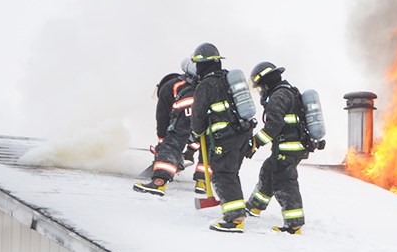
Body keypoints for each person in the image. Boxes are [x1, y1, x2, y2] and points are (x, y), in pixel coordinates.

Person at [188, 42, 255, 233]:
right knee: (230, 173)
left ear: (203, 65)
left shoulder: (205, 85)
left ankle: (235, 219)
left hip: (226, 138)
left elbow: (198, 116)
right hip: (243, 135)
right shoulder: (228, 79)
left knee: (223, 174)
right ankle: (235, 210)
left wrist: (197, 131)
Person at [245, 60, 313, 234]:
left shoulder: (278, 96)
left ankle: (294, 225)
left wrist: (255, 142)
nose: (261, 90)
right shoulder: (288, 91)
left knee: (285, 183)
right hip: (292, 146)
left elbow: (273, 127)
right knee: (268, 171)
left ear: (266, 82)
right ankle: (254, 207)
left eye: (261, 87)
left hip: (287, 147)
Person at [134, 60, 201, 196]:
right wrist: (190, 151)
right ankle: (202, 182)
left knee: (173, 141)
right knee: (209, 142)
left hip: (187, 112)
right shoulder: (198, 85)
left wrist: (162, 144)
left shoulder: (169, 88)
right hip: (206, 114)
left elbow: (162, 119)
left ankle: (159, 182)